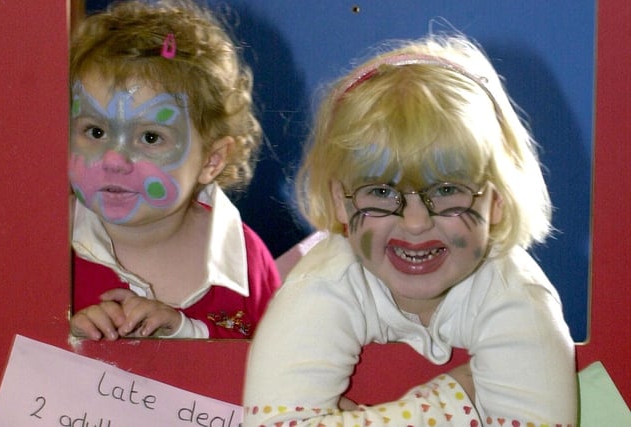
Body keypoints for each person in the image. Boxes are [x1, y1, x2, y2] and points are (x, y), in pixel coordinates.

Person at [243, 33, 577, 426]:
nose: (416, 223)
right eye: (382, 192)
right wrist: (456, 403)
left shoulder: (514, 294)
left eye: (448, 190)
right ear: (339, 201)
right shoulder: (326, 282)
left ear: (497, 199)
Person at [69, 0, 280, 341]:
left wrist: (188, 332)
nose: (113, 159)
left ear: (211, 161)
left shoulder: (246, 262)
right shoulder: (42, 246)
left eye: (150, 137)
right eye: (95, 132)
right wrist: (62, 336)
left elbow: (281, 373)